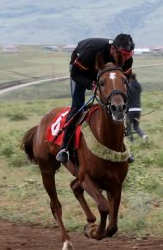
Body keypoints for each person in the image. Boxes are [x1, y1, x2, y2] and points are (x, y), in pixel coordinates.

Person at [56, 34, 135, 163]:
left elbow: (124, 81)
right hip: (81, 71)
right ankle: (65, 148)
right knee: (77, 106)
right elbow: (75, 73)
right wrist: (92, 85)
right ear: (113, 49)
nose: (126, 58)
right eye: (124, 55)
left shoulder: (127, 59)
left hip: (104, 73)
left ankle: (122, 146)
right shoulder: (91, 50)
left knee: (120, 106)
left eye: (129, 55)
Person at [125, 73, 147, 142]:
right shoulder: (138, 86)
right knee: (136, 127)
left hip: (130, 110)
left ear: (130, 78)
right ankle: (144, 136)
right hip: (138, 109)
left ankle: (132, 141)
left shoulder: (129, 87)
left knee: (128, 126)